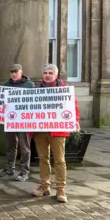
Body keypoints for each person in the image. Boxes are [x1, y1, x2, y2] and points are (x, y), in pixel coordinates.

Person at [31, 64, 80, 203]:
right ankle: (44, 186)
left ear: (56, 75)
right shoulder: (34, 90)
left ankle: (60, 188)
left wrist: (75, 120)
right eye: (45, 72)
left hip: (57, 129)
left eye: (50, 73)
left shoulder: (64, 90)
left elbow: (74, 107)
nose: (47, 75)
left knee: (59, 160)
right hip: (39, 130)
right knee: (43, 159)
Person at [0, 64, 35, 181]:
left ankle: (24, 171)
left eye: (16, 72)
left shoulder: (29, 85)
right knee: (10, 145)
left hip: (24, 120)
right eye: (12, 72)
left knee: (24, 147)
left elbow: (35, 101)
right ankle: (9, 168)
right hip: (10, 119)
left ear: (21, 72)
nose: (14, 74)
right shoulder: (7, 85)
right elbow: (1, 100)